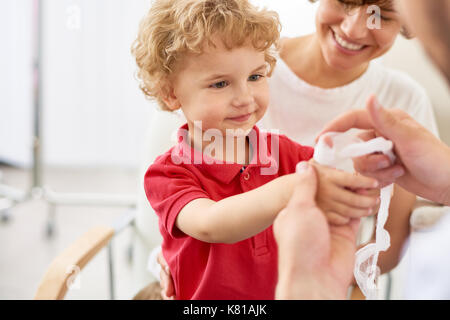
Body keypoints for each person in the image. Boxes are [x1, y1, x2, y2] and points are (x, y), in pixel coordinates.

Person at [156, 0, 439, 299]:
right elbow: (208, 223)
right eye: (221, 84)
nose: (244, 98)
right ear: (172, 94)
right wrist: (294, 187)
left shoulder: (281, 148)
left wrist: (368, 166)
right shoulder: (231, 53)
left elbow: (335, 175)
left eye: (255, 77)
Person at [275, 0, 450, 299]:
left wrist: (345, 285)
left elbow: (390, 243)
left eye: (381, 15)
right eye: (344, 2)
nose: (353, 29)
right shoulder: (244, 66)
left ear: (406, 21)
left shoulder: (403, 101)